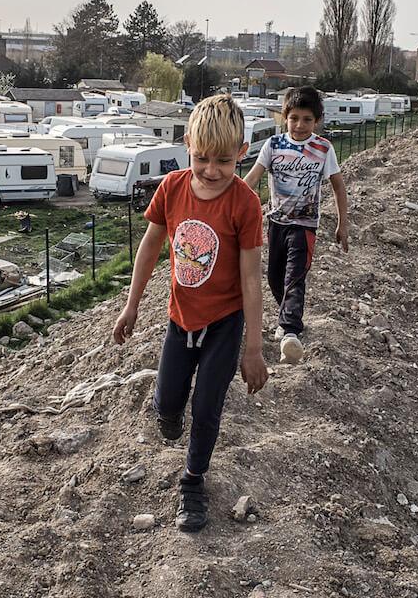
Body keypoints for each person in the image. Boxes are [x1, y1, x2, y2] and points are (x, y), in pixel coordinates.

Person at [113, 94, 267, 533]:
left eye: (224, 160)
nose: (212, 170)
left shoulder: (244, 204)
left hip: (225, 323)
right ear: (186, 145)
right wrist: (131, 304)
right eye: (202, 158)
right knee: (167, 404)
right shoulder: (173, 188)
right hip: (179, 320)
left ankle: (192, 482)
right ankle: (169, 414)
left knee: (207, 407)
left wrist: (253, 349)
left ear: (242, 152)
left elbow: (252, 280)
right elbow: (149, 248)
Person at [244, 86, 349, 363]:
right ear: (285, 117)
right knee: (274, 278)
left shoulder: (323, 148)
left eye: (307, 119)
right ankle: (287, 318)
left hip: (304, 226)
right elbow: (253, 178)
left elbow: (338, 187)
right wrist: (232, 203)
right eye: (294, 118)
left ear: (317, 121)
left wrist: (343, 224)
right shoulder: (273, 145)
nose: (300, 125)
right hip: (276, 223)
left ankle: (291, 331)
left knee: (295, 277)